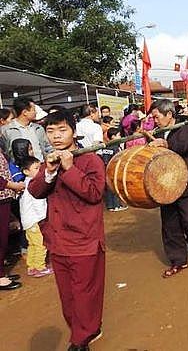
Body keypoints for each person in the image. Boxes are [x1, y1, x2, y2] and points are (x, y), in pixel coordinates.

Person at [28, 109, 106, 350]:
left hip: (85, 240)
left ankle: (81, 339)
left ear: (73, 131)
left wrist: (71, 169)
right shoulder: (48, 161)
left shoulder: (90, 159)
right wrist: (50, 172)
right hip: (58, 240)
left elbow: (94, 194)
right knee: (67, 296)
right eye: (50, 131)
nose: (56, 136)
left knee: (85, 293)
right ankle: (83, 330)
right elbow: (35, 190)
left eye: (62, 130)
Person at [148, 99, 188, 278]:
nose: (155, 121)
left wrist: (166, 145)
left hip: (184, 182)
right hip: (164, 186)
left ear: (169, 114)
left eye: (156, 117)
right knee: (170, 224)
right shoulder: (157, 132)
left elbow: (185, 147)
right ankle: (178, 260)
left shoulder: (184, 126)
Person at [19, 156, 52, 277]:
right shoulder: (33, 184)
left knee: (32, 245)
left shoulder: (26, 183)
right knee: (40, 244)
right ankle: (39, 267)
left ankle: (32, 266)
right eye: (36, 168)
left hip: (28, 221)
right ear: (26, 171)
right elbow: (38, 204)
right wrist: (44, 219)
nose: (39, 170)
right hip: (36, 220)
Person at [0, 145, 25, 291]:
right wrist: (13, 185)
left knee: (3, 237)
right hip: (2, 193)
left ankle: (2, 272)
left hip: (4, 196)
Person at [0, 96, 52, 161]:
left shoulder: (38, 128)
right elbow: (4, 153)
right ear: (25, 112)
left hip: (41, 167)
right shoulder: (6, 130)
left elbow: (47, 147)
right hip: (19, 169)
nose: (36, 112)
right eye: (34, 110)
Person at [101, 128, 127, 212]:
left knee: (109, 188)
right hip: (114, 170)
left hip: (106, 169)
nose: (120, 137)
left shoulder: (106, 146)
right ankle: (116, 205)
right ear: (113, 137)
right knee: (115, 188)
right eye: (118, 135)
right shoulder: (115, 147)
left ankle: (110, 205)